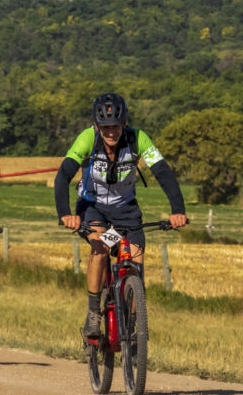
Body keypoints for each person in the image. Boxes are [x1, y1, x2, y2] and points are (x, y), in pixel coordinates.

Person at [55, 93, 187, 339]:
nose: (111, 132)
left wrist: (178, 210)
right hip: (92, 206)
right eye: (105, 127)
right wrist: (65, 214)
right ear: (96, 125)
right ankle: (94, 312)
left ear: (124, 123)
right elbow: (63, 176)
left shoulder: (138, 138)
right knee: (101, 247)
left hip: (126, 209)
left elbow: (163, 172)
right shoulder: (87, 138)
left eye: (115, 126)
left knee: (136, 262)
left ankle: (135, 328)